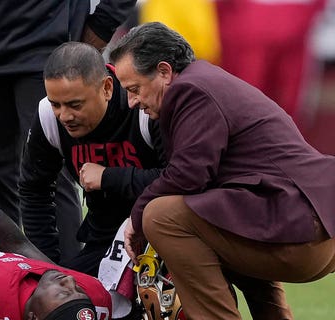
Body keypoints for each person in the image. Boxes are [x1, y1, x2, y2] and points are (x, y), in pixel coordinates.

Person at [111, 22, 335, 319]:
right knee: (212, 214)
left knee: (161, 216)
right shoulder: (206, 81)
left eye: (134, 89)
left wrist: (136, 218)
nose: (132, 102)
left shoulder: (190, 90)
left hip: (300, 230)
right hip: (313, 226)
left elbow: (188, 175)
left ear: (164, 72)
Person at [0, 0, 138, 262]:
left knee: (53, 176)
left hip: (45, 47)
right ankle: (6, 285)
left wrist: (101, 24)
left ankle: (72, 288)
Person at [19, 41, 166, 274]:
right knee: (65, 304)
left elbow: (179, 181)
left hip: (163, 235)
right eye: (56, 104)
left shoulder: (143, 105)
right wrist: (46, 267)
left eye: (75, 105)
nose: (64, 116)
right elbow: (34, 189)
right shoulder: (47, 115)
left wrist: (108, 177)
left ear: (107, 88)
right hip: (103, 241)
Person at [0, 174, 112, 320]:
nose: (70, 280)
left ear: (33, 317)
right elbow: (15, 244)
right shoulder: (93, 300)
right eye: (77, 290)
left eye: (64, 294)